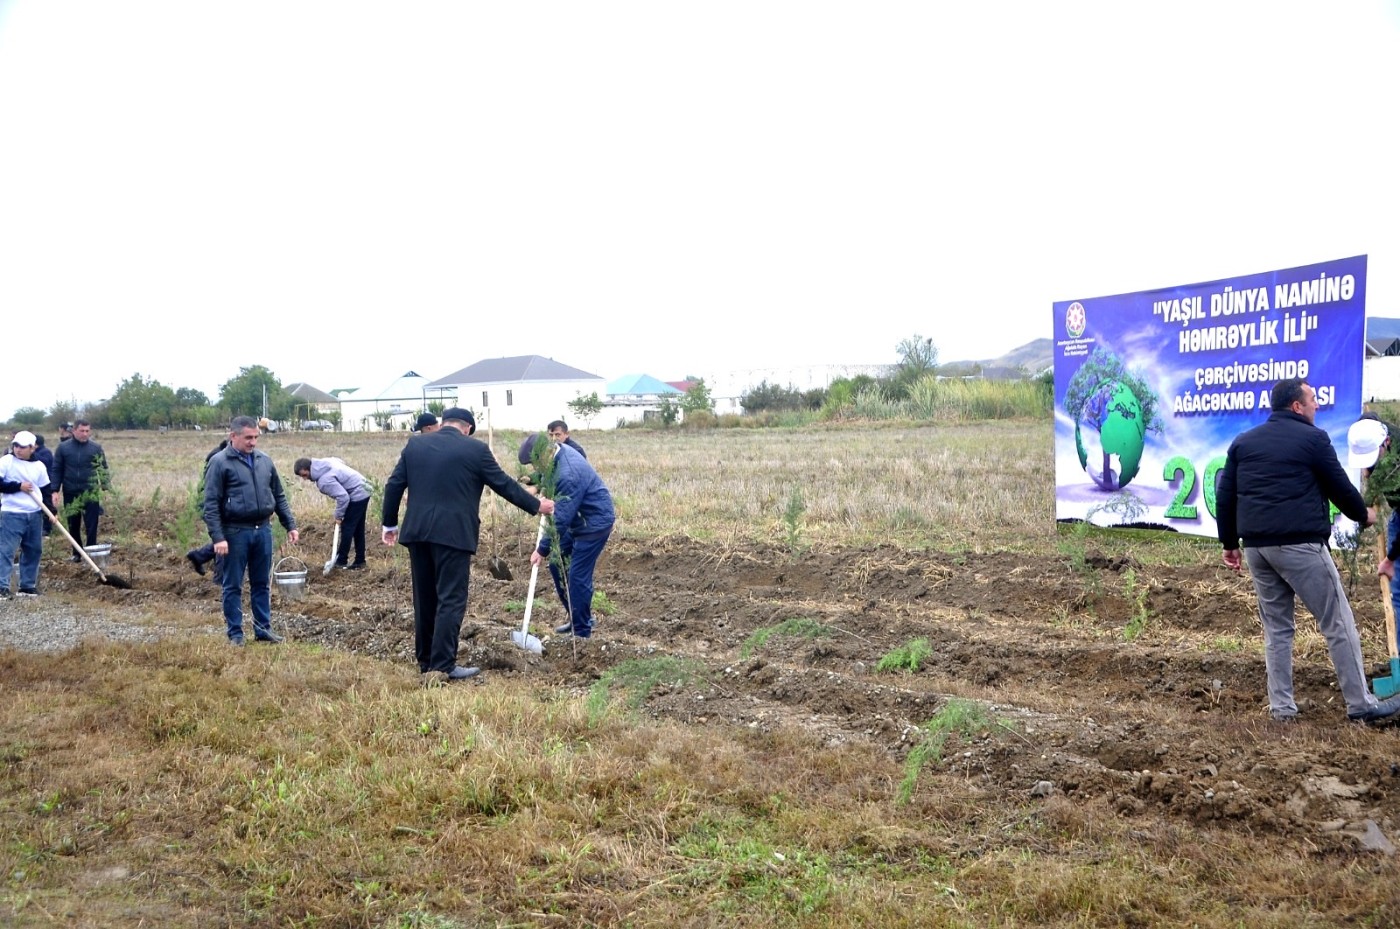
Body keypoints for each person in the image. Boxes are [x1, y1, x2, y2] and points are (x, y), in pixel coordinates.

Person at [1217, 378, 1400, 724]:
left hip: (1257, 549)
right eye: (1313, 399)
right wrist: (1364, 514)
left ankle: (1282, 709)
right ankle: (1361, 705)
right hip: (1300, 545)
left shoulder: (1243, 443)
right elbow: (1339, 487)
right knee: (1338, 622)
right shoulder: (1314, 439)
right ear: (1297, 406)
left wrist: (1230, 544)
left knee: (1277, 629)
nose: (1317, 405)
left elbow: (1227, 495)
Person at [382, 407, 553, 680]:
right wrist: (537, 505)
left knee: (424, 598)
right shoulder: (476, 450)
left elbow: (393, 485)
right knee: (450, 599)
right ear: (468, 428)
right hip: (453, 535)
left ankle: (426, 662)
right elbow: (504, 485)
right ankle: (442, 666)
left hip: (417, 532)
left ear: (442, 424)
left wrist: (389, 524)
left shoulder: (416, 444)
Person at [203, 416, 299, 645]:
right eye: (248, 437)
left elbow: (278, 496)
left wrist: (290, 525)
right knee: (233, 584)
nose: (253, 442)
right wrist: (218, 537)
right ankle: (235, 633)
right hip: (235, 533)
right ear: (233, 436)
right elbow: (211, 503)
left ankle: (263, 629)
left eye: (256, 437)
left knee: (261, 583)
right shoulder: (219, 463)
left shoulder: (264, 461)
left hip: (263, 530)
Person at [519, 432, 614, 639]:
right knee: (556, 564)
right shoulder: (558, 453)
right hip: (577, 519)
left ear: (545, 453)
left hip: (593, 524)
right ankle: (576, 616)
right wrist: (532, 481)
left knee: (577, 577)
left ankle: (581, 632)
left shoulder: (568, 473)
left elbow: (560, 519)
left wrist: (541, 549)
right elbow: (546, 474)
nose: (535, 468)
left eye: (535, 463)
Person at [294, 456, 371, 569]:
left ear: (309, 468)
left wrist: (338, 515)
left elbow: (343, 497)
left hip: (358, 492)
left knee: (347, 527)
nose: (305, 479)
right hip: (365, 486)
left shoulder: (324, 481)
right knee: (358, 528)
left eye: (305, 475)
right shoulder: (325, 462)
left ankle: (341, 561)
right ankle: (360, 561)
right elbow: (340, 461)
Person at [0, 432, 51, 599]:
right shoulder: (6, 461)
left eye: (22, 447)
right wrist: (18, 486)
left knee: (33, 550)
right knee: (6, 551)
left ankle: (27, 586)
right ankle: (2, 586)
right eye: (16, 446)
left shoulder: (39, 466)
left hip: (34, 514)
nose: (18, 449)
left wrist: (52, 512)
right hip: (12, 513)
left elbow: (45, 490)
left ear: (32, 447)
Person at [50, 419, 108, 560]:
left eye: (87, 431)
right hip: (71, 491)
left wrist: (106, 486)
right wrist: (55, 490)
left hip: (91, 492)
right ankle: (77, 553)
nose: (84, 434)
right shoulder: (63, 448)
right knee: (73, 525)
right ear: (74, 431)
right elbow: (57, 469)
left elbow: (102, 467)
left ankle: (92, 553)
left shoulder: (96, 447)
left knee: (92, 525)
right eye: (82, 431)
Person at [185, 439, 230, 582]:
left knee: (227, 538)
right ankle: (220, 580)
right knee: (224, 540)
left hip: (211, 503)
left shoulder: (219, 455)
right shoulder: (218, 459)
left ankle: (199, 556)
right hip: (211, 505)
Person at [30, 435, 54, 538]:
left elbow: (46, 462)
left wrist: (33, 453)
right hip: (36, 484)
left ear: (36, 444)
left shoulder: (45, 452)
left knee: (46, 505)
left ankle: (47, 528)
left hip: (45, 484)